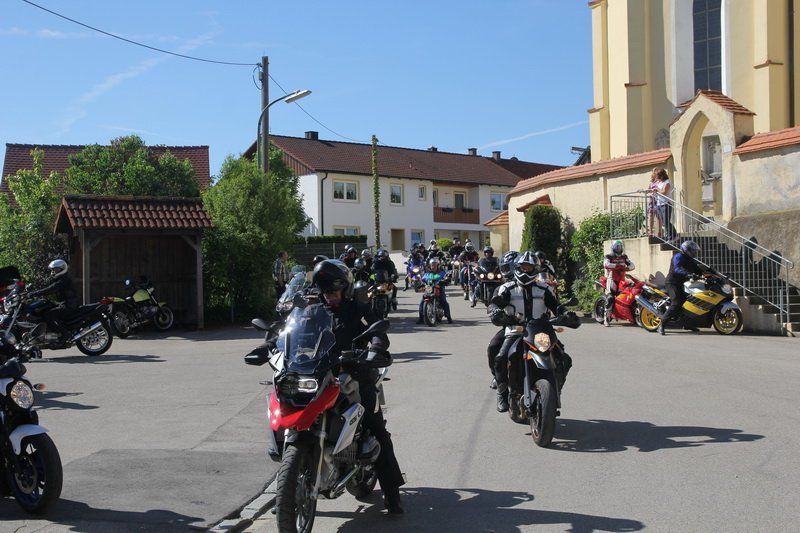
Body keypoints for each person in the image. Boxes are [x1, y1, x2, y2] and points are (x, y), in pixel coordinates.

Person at [311, 260, 405, 513]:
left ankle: (392, 493)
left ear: (345, 289)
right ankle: (289, 490)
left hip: (356, 374)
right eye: (326, 291)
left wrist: (375, 348)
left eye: (334, 290)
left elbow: (378, 332)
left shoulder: (358, 309)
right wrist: (272, 343)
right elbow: (291, 332)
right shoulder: (313, 312)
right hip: (321, 376)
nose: (330, 295)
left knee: (376, 429)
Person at [488, 252, 565, 416]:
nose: (526, 269)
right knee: (499, 355)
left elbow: (556, 306)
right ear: (517, 267)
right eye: (523, 266)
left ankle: (555, 390)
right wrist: (495, 312)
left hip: (540, 331)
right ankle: (502, 391)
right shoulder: (507, 288)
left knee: (563, 358)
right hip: (515, 330)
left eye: (529, 267)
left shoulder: (544, 288)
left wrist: (566, 314)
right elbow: (494, 304)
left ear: (535, 269)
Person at [487, 250, 519, 390]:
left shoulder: (535, 285)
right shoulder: (501, 288)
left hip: (536, 325)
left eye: (512, 267)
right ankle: (498, 376)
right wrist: (495, 312)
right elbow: (493, 304)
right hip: (511, 326)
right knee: (493, 346)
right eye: (506, 268)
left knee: (558, 350)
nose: (509, 271)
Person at [659, 240, 704, 335]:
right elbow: (677, 269)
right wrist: (689, 274)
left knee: (690, 302)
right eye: (693, 250)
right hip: (672, 283)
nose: (694, 252)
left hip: (681, 284)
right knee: (676, 302)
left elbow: (698, 270)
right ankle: (662, 325)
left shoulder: (690, 260)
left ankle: (686, 324)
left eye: (695, 251)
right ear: (686, 250)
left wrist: (711, 273)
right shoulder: (678, 257)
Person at [28, 259, 79, 327]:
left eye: (56, 269)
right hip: (63, 304)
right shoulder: (60, 279)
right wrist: (31, 292)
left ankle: (63, 332)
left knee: (49, 315)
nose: (53, 271)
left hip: (69, 306)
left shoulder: (63, 280)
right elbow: (48, 288)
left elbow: (50, 289)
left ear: (62, 269)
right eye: (53, 270)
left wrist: (33, 294)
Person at [602, 240, 635, 327]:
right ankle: (606, 318)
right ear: (613, 248)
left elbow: (632, 265)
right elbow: (606, 264)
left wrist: (626, 269)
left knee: (627, 297)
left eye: (620, 247)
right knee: (610, 298)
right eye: (617, 247)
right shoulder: (608, 256)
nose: (619, 249)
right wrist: (617, 266)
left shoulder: (624, 257)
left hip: (622, 280)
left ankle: (629, 316)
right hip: (612, 280)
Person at [416, 257, 452, 324]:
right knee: (422, 302)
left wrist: (446, 280)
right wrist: (420, 284)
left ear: (438, 265)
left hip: (439, 289)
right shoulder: (427, 274)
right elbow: (423, 280)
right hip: (429, 289)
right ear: (430, 266)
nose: (433, 266)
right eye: (432, 265)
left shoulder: (442, 273)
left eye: (435, 265)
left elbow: (446, 277)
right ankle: (421, 318)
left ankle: (449, 317)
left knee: (444, 301)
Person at [653, 167, 676, 241]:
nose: (656, 177)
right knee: (663, 222)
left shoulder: (667, 182)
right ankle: (672, 236)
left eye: (657, 176)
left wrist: (657, 190)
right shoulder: (659, 182)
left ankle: (672, 236)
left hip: (666, 204)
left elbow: (664, 192)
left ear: (661, 176)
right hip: (659, 204)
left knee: (666, 222)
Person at [646, 168, 662, 237]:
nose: (654, 173)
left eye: (655, 172)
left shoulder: (659, 181)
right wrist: (645, 191)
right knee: (651, 215)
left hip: (657, 199)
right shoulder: (651, 182)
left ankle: (660, 232)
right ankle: (651, 232)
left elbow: (660, 189)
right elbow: (649, 190)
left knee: (659, 216)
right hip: (652, 200)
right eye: (653, 172)